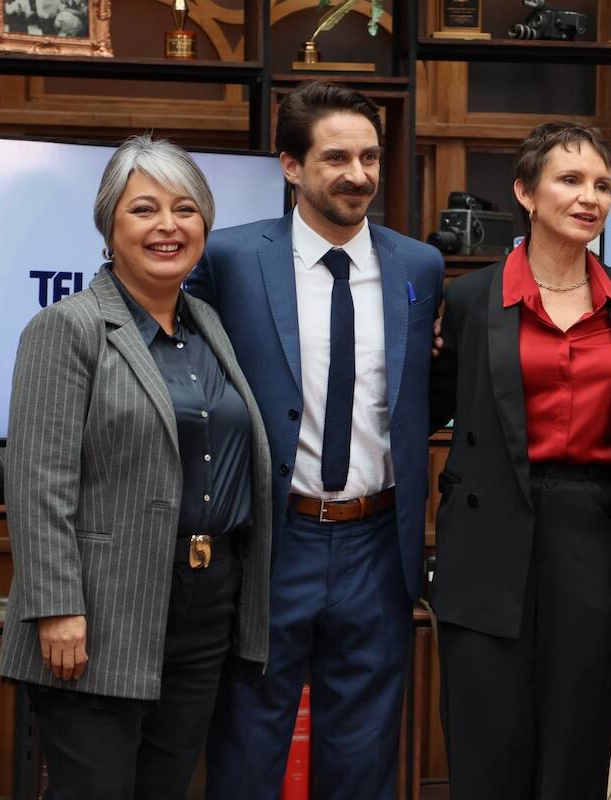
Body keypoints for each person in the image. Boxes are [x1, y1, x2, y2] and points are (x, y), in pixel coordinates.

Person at [187, 81, 444, 800]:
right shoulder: (231, 261)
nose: (358, 175)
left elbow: (429, 388)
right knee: (246, 748)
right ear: (291, 166)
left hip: (376, 544)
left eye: (369, 157)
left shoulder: (418, 268)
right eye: (335, 158)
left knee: (363, 761)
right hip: (271, 541)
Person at [0, 133, 273, 800]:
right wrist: (57, 607)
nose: (168, 226)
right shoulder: (69, 328)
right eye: (144, 209)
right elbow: (38, 482)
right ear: (108, 225)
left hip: (206, 607)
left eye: (186, 209)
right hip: (99, 613)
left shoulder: (208, 323)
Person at [429, 121, 611, 799]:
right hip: (487, 535)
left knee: (576, 738)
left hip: (592, 534)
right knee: (486, 737)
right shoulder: (470, 300)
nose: (588, 198)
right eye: (569, 180)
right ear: (525, 191)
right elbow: (432, 408)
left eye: (600, 185)